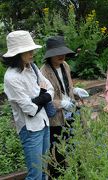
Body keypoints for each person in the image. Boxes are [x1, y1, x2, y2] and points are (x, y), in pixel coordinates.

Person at [2, 30, 54, 179]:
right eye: (27, 50)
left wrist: (39, 98)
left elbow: (51, 90)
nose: (32, 53)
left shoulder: (32, 68)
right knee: (35, 175)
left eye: (31, 49)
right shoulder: (12, 78)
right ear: (17, 53)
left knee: (45, 171)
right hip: (30, 129)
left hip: (44, 122)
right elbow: (29, 109)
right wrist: (44, 96)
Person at [40, 35, 89, 178]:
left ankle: (76, 173)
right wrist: (60, 103)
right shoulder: (44, 71)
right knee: (58, 150)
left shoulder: (65, 66)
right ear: (50, 55)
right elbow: (45, 97)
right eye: (57, 53)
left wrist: (75, 91)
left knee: (74, 145)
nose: (61, 55)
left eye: (63, 52)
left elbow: (66, 88)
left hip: (71, 112)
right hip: (56, 117)